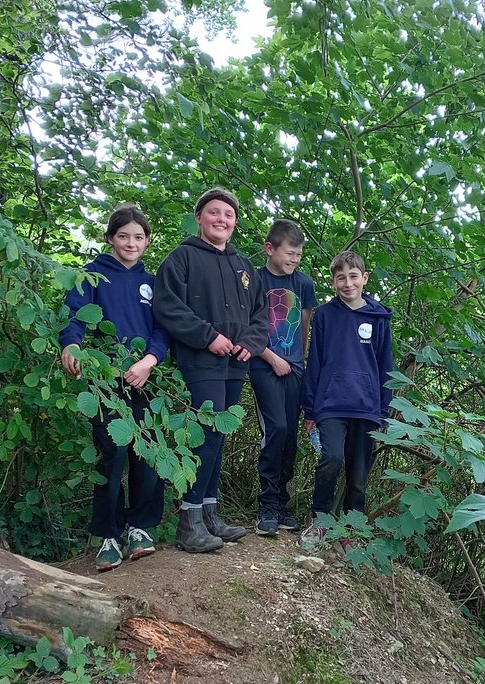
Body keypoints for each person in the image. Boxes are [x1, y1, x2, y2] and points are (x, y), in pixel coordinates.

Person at [154, 188, 269, 552]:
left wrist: (248, 344)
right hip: (200, 361)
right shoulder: (181, 259)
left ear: (235, 221)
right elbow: (167, 307)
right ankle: (188, 521)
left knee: (220, 437)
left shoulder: (245, 267)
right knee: (204, 434)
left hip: (235, 364)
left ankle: (209, 512)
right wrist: (208, 337)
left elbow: (261, 315)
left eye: (228, 215)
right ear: (200, 217)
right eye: (214, 213)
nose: (222, 219)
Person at [59, 205, 169, 573]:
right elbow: (74, 316)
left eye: (138, 237)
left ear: (147, 242)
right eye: (123, 236)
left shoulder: (153, 283)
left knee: (147, 455)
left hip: (146, 379)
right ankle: (108, 536)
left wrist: (149, 362)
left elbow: (163, 331)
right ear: (110, 238)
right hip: (106, 382)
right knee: (112, 456)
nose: (131, 243)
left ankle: (140, 528)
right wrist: (71, 345)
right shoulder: (92, 276)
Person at [300, 250, 394, 552]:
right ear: (333, 281)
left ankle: (351, 531)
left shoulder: (378, 318)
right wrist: (310, 408)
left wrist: (384, 412)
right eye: (341, 277)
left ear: (365, 278)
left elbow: (385, 367)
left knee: (358, 473)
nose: (348, 283)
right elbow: (315, 361)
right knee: (332, 459)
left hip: (367, 407)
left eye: (354, 276)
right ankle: (319, 521)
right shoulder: (326, 315)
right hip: (330, 404)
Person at [249, 219, 317, 536]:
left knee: (290, 437)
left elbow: (304, 327)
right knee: (274, 429)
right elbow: (245, 327)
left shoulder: (304, 284)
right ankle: (266, 506)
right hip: (264, 364)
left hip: (294, 367)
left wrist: (298, 362)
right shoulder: (254, 281)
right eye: (289, 253)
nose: (294, 260)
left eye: (299, 255)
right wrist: (271, 357)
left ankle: (281, 505)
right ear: (270, 249)